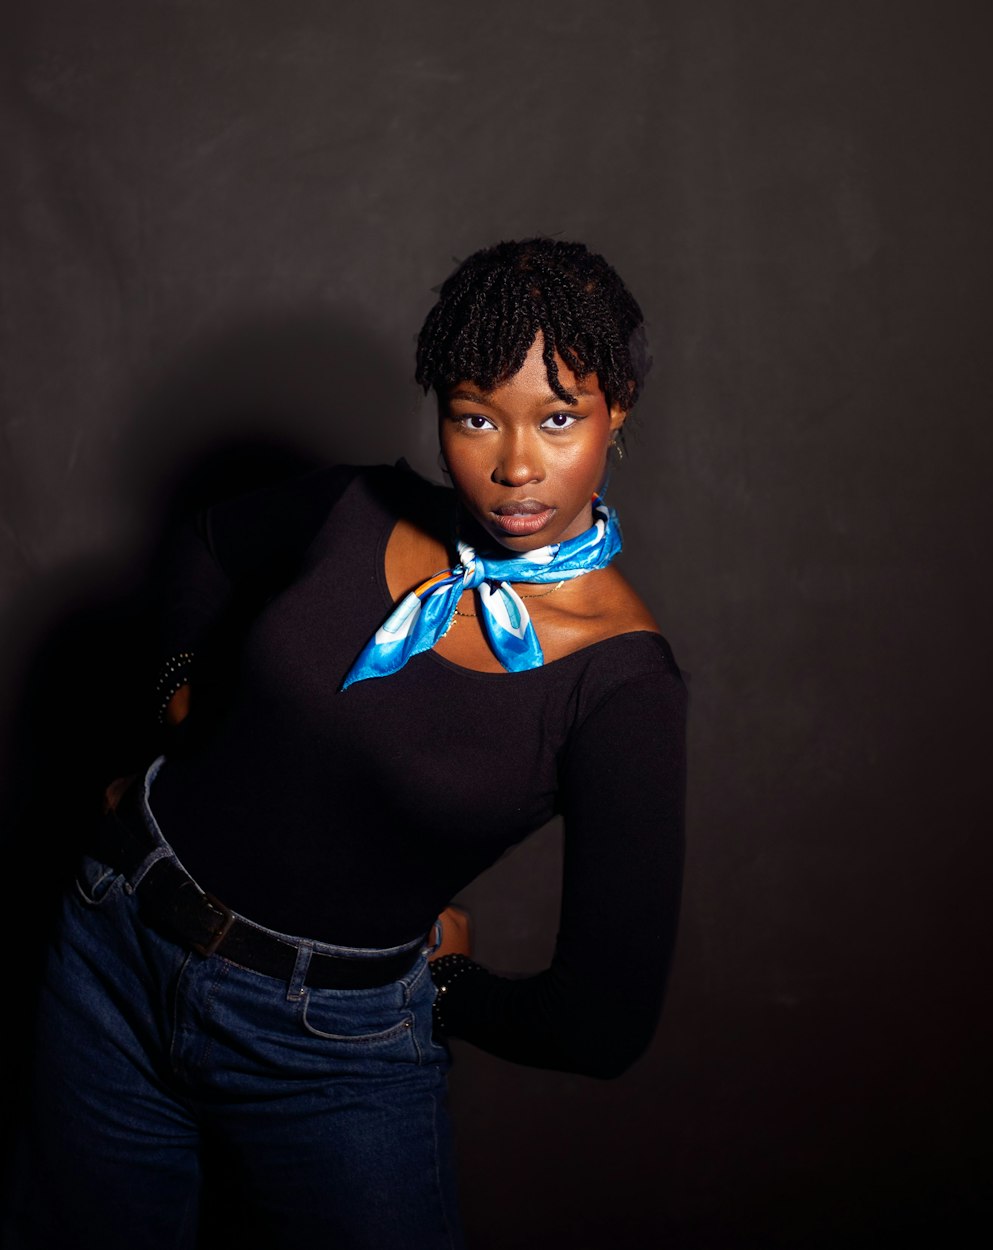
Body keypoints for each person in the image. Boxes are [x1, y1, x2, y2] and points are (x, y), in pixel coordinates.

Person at [2, 237, 687, 1250]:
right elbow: (200, 551)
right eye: (473, 416)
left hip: (327, 1057)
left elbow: (606, 1018)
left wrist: (453, 986)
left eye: (556, 417)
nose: (512, 465)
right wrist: (175, 697)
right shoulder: (351, 506)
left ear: (616, 404)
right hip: (110, 953)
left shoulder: (621, 684)